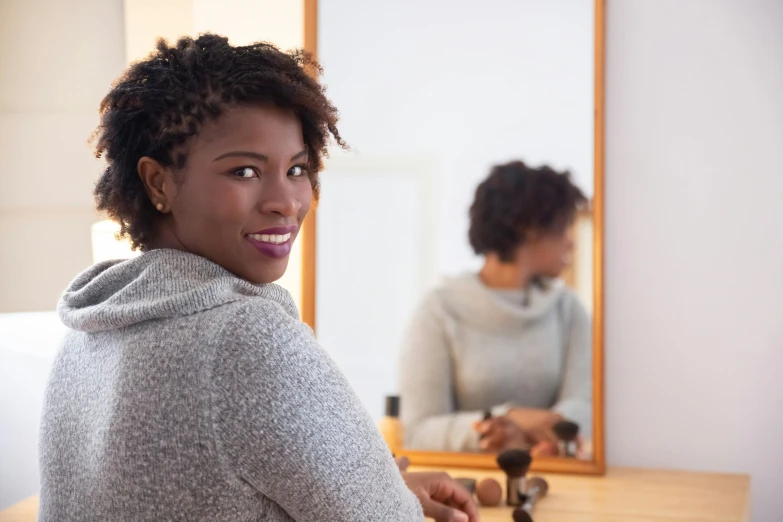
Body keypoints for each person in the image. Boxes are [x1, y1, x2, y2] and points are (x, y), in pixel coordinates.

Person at [38, 35, 477, 522]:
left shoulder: (84, 338)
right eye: (244, 171)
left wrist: (385, 488)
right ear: (159, 182)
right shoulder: (248, 339)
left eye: (297, 169)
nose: (286, 201)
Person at [398, 161, 592, 455]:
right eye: (564, 227)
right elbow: (418, 431)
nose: (571, 243)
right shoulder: (440, 310)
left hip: (558, 479)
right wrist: (505, 421)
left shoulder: (568, 310)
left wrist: (546, 432)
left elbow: (585, 405)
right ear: (528, 228)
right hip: (466, 487)